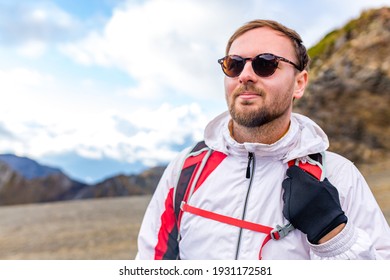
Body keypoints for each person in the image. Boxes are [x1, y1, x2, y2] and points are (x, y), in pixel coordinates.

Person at [136, 19, 390, 259]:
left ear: (299, 83)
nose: (245, 75)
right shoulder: (187, 168)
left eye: (265, 63)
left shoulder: (339, 177)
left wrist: (335, 235)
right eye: (233, 64)